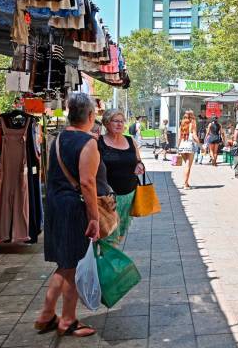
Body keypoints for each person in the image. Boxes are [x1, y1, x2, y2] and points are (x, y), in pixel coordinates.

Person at [38, 93, 106, 338]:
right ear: (90, 116)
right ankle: (67, 320)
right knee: (74, 266)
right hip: (72, 210)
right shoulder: (88, 144)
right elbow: (88, 183)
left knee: (64, 265)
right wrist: (94, 219)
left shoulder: (58, 139)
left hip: (55, 206)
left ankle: (46, 314)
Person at [99, 110, 145, 243]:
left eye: (121, 121)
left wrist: (140, 165)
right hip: (107, 198)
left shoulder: (130, 141)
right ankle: (106, 260)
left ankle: (111, 259)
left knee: (120, 233)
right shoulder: (98, 142)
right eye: (115, 121)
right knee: (107, 235)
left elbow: (138, 160)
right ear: (106, 123)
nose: (120, 124)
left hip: (128, 195)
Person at [177, 110, 199, 189]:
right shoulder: (193, 123)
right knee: (188, 166)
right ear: (192, 116)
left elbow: (179, 137)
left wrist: (178, 147)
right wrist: (200, 145)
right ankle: (185, 184)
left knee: (186, 165)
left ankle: (186, 182)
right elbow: (194, 136)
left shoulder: (182, 123)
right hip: (190, 145)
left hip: (182, 145)